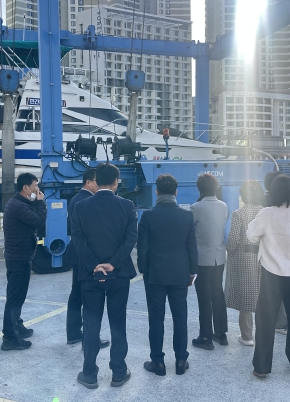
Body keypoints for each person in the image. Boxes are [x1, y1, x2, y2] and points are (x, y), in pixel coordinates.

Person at [70, 163, 137, 389]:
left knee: (91, 324)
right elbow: (130, 239)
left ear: (96, 181)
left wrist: (94, 265)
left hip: (90, 276)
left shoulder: (81, 206)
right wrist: (113, 264)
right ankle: (118, 371)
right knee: (118, 323)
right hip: (119, 275)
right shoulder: (127, 206)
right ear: (116, 182)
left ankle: (89, 372)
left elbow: (78, 239)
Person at [247, 174, 290, 378]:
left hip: (272, 274)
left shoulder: (266, 213)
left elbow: (251, 235)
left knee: (265, 321)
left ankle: (262, 367)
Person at [137, 174, 198, 376]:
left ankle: (158, 362)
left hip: (155, 275)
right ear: (176, 192)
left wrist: (144, 270)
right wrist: (193, 271)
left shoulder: (148, 216)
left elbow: (142, 248)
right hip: (180, 273)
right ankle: (181, 360)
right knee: (180, 317)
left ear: (156, 192)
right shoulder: (187, 216)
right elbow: (192, 247)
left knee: (156, 319)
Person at [1, 173, 47, 350]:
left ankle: (17, 325)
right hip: (18, 257)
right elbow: (39, 221)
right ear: (26, 188)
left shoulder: (18, 203)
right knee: (15, 297)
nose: (37, 189)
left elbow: (31, 215)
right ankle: (9, 337)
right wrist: (41, 203)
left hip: (18, 256)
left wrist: (35, 202)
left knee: (17, 296)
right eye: (35, 186)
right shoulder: (18, 206)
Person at [65, 168, 110, 349]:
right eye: (97, 182)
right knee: (89, 298)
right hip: (86, 256)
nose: (99, 185)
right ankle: (91, 339)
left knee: (77, 294)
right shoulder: (86, 200)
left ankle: (74, 333)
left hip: (77, 254)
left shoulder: (76, 198)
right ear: (88, 182)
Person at [190, 173, 229, 350]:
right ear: (216, 187)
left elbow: (191, 231)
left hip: (202, 259)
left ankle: (205, 337)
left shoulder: (196, 208)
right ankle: (221, 333)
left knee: (204, 298)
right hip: (219, 257)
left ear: (199, 188)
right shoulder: (223, 206)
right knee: (217, 294)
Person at [224, 180, 264, 347]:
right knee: (263, 296)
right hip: (264, 257)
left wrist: (230, 250)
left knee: (246, 297)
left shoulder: (239, 213)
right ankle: (264, 334)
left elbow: (233, 239)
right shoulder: (265, 212)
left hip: (245, 258)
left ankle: (247, 336)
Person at [263, 171, 289, 335]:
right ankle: (285, 321)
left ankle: (279, 322)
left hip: (270, 252)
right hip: (289, 253)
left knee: (272, 289)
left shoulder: (265, 202)